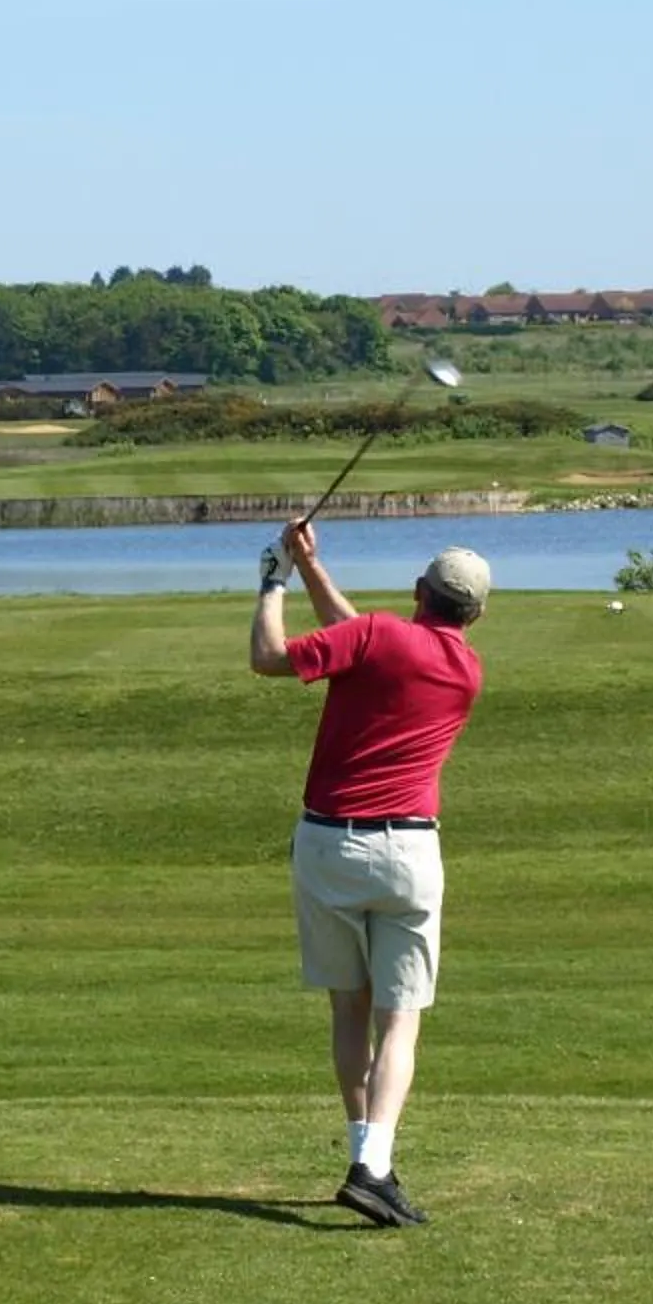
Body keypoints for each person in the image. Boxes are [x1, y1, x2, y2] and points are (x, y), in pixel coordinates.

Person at [247, 520, 491, 1227]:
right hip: (410, 856)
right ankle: (373, 1165)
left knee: (348, 1009)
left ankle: (369, 1161)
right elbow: (361, 640)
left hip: (327, 847)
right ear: (475, 614)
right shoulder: (464, 670)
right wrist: (313, 569)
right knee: (401, 1020)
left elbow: (270, 657)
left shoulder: (381, 635)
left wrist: (274, 579)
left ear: (420, 592)